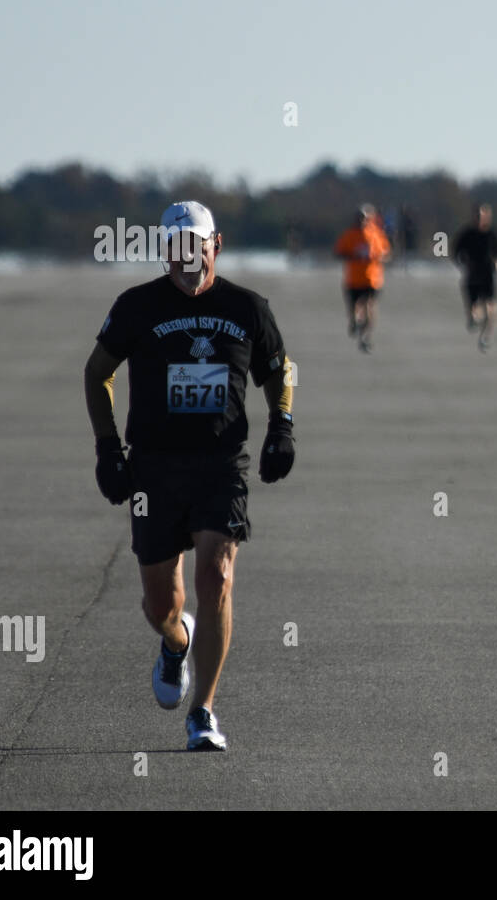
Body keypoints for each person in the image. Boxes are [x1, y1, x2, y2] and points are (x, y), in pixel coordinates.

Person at [84, 200, 295, 752]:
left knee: (216, 578)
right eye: (175, 248)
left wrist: (282, 427)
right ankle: (176, 643)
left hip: (221, 466)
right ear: (163, 252)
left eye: (195, 246)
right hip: (153, 468)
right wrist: (108, 449)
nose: (186, 257)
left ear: (215, 246)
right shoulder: (136, 306)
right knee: (163, 606)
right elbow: (97, 372)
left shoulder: (247, 307)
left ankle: (203, 712)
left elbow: (279, 369)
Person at [333, 204, 391, 353]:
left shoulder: (376, 234)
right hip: (353, 280)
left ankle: (365, 336)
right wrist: (353, 256)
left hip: (372, 279)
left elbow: (387, 254)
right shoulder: (349, 235)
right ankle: (354, 322)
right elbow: (338, 253)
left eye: (365, 218)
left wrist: (377, 257)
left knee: (369, 306)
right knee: (354, 308)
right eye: (359, 218)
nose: (362, 221)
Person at [451, 203, 497, 352]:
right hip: (472, 275)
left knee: (491, 308)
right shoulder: (467, 234)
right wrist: (461, 262)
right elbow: (456, 252)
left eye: (483, 216)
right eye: (478, 216)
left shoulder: (493, 235)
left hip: (488, 275)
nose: (480, 219)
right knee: (474, 309)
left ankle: (486, 336)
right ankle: (473, 318)